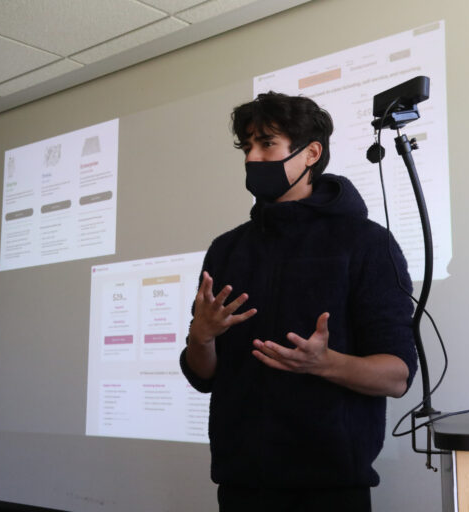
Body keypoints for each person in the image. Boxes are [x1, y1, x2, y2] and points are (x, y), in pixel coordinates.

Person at [179, 91, 417, 512]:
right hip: (241, 482)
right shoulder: (226, 249)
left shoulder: (367, 244)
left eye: (266, 143)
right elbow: (204, 377)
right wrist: (200, 339)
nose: (253, 157)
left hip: (329, 489)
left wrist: (325, 364)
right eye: (247, 146)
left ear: (310, 153)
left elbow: (397, 377)